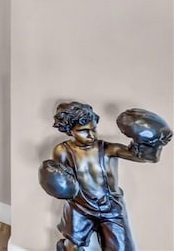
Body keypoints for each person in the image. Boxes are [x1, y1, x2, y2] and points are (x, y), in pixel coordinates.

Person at [41, 102, 172, 251]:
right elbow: (62, 178)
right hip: (79, 206)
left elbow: (142, 157)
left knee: (121, 248)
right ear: (70, 131)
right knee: (72, 246)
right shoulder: (62, 150)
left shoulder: (108, 148)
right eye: (83, 131)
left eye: (93, 129)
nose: (91, 135)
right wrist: (57, 185)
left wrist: (151, 142)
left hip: (111, 207)